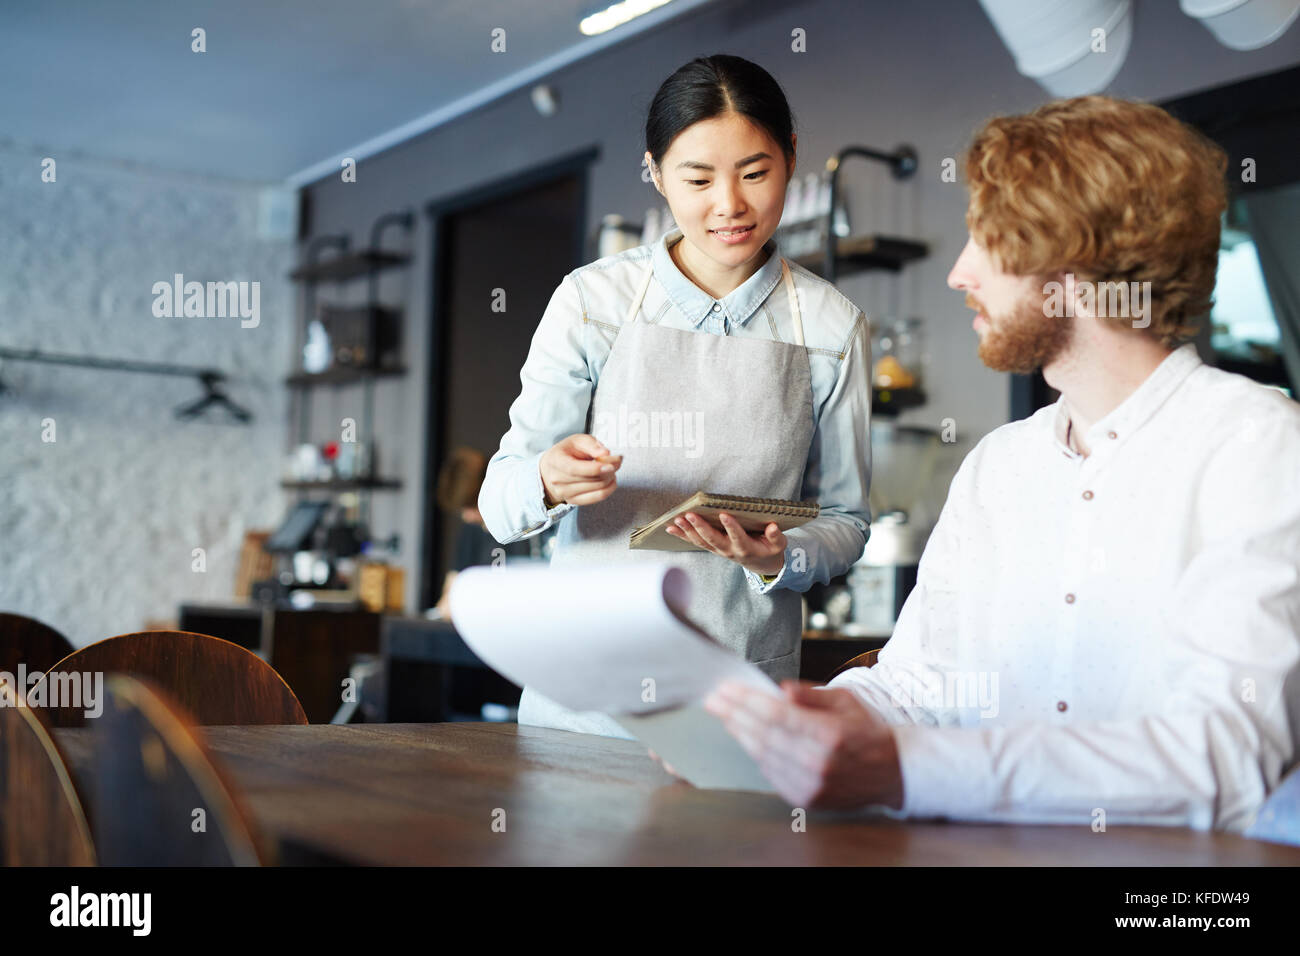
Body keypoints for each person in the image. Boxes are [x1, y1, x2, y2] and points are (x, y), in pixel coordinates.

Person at [706, 95, 1300, 832]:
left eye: (988, 240)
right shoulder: (998, 466)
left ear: (1077, 260)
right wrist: (785, 723)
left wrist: (904, 769)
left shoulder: (1260, 444)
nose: (959, 273)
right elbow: (916, 687)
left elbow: (1226, 758)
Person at [478, 55, 872, 737]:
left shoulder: (833, 326)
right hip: (586, 699)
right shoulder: (591, 302)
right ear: (656, 174)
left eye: (755, 173)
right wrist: (547, 478)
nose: (730, 205)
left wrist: (782, 557)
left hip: (739, 694)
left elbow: (847, 520)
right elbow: (499, 502)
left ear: (791, 158)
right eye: (696, 179)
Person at [434, 446, 533, 619]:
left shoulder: (525, 520)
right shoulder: (470, 532)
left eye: (470, 507)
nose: (466, 517)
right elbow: (451, 587)